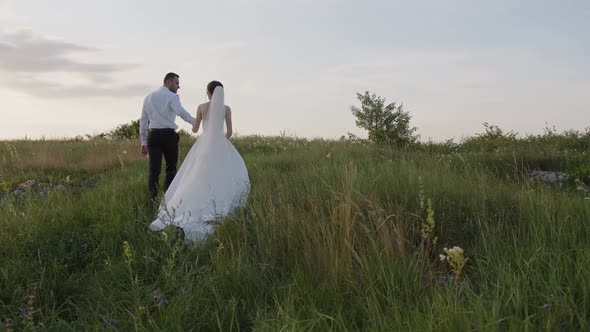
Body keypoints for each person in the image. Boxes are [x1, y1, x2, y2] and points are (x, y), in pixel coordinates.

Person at [149, 81, 250, 242]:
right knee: (219, 178)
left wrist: (199, 127)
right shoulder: (226, 109)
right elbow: (229, 132)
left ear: (208, 92)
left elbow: (195, 129)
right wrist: (219, 141)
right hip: (219, 148)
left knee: (197, 176)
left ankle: (189, 208)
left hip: (202, 149)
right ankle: (214, 207)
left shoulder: (202, 107)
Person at [139, 73, 196, 201]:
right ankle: (168, 199)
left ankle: (152, 200)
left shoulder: (148, 97)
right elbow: (181, 112)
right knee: (171, 167)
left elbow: (143, 121)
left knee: (154, 170)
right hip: (168, 136)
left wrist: (143, 142)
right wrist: (195, 122)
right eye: (177, 83)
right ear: (168, 81)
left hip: (153, 135)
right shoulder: (172, 97)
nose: (178, 86)